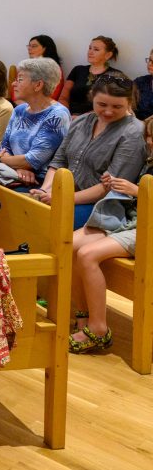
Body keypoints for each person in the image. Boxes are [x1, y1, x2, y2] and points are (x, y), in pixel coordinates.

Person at [67, 118, 153, 354]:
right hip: (132, 219)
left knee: (87, 255)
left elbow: (144, 194)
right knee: (70, 244)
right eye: (149, 136)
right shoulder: (148, 159)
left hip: (147, 229)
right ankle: (83, 315)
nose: (150, 142)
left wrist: (137, 190)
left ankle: (99, 329)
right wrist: (115, 184)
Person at [32, 75, 146, 229]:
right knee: (22, 207)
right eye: (102, 104)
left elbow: (110, 186)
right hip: (62, 193)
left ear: (129, 103)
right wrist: (45, 189)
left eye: (117, 107)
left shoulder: (134, 132)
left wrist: (62, 198)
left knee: (44, 224)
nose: (108, 112)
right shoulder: (82, 121)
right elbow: (59, 161)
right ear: (92, 98)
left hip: (100, 205)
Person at [0, 58, 71, 188]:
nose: (13, 84)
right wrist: (18, 169)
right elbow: (4, 147)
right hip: (15, 173)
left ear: (38, 85)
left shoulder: (57, 115)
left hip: (40, 182)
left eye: (20, 80)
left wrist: (2, 159)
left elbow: (32, 160)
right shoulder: (20, 110)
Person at [60, 35, 126, 116]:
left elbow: (113, 105)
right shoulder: (78, 70)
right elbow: (63, 97)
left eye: (96, 49)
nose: (90, 52)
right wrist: (65, 114)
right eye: (90, 48)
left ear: (108, 55)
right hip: (69, 116)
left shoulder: (115, 75)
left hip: (96, 119)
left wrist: (81, 118)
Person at [12, 34, 64, 102]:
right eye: (29, 46)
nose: (29, 48)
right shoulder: (25, 67)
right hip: (21, 105)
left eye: (34, 46)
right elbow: (15, 91)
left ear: (45, 48)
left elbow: (53, 95)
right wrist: (21, 104)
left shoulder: (54, 69)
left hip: (43, 107)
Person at [134, 48, 153, 121]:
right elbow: (128, 107)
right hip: (137, 127)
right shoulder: (139, 82)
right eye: (150, 60)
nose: (150, 64)